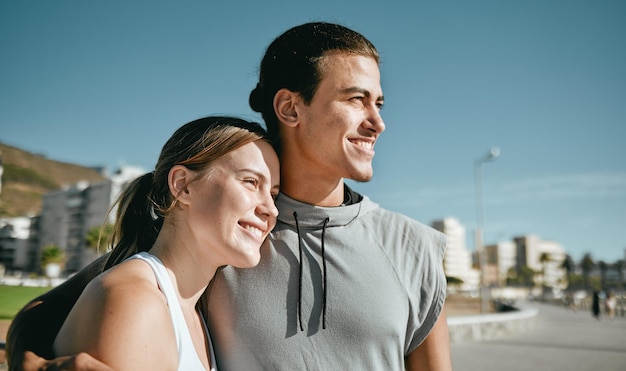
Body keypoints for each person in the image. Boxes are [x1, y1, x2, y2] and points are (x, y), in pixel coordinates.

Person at [7, 22, 452, 370]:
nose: (378, 122)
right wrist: (31, 364)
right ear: (290, 107)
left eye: (379, 103)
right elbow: (42, 313)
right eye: (356, 99)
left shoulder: (415, 248)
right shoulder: (223, 231)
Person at [9, 116, 280, 371]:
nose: (271, 209)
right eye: (250, 182)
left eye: (274, 194)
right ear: (183, 185)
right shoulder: (135, 302)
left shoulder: (190, 305)